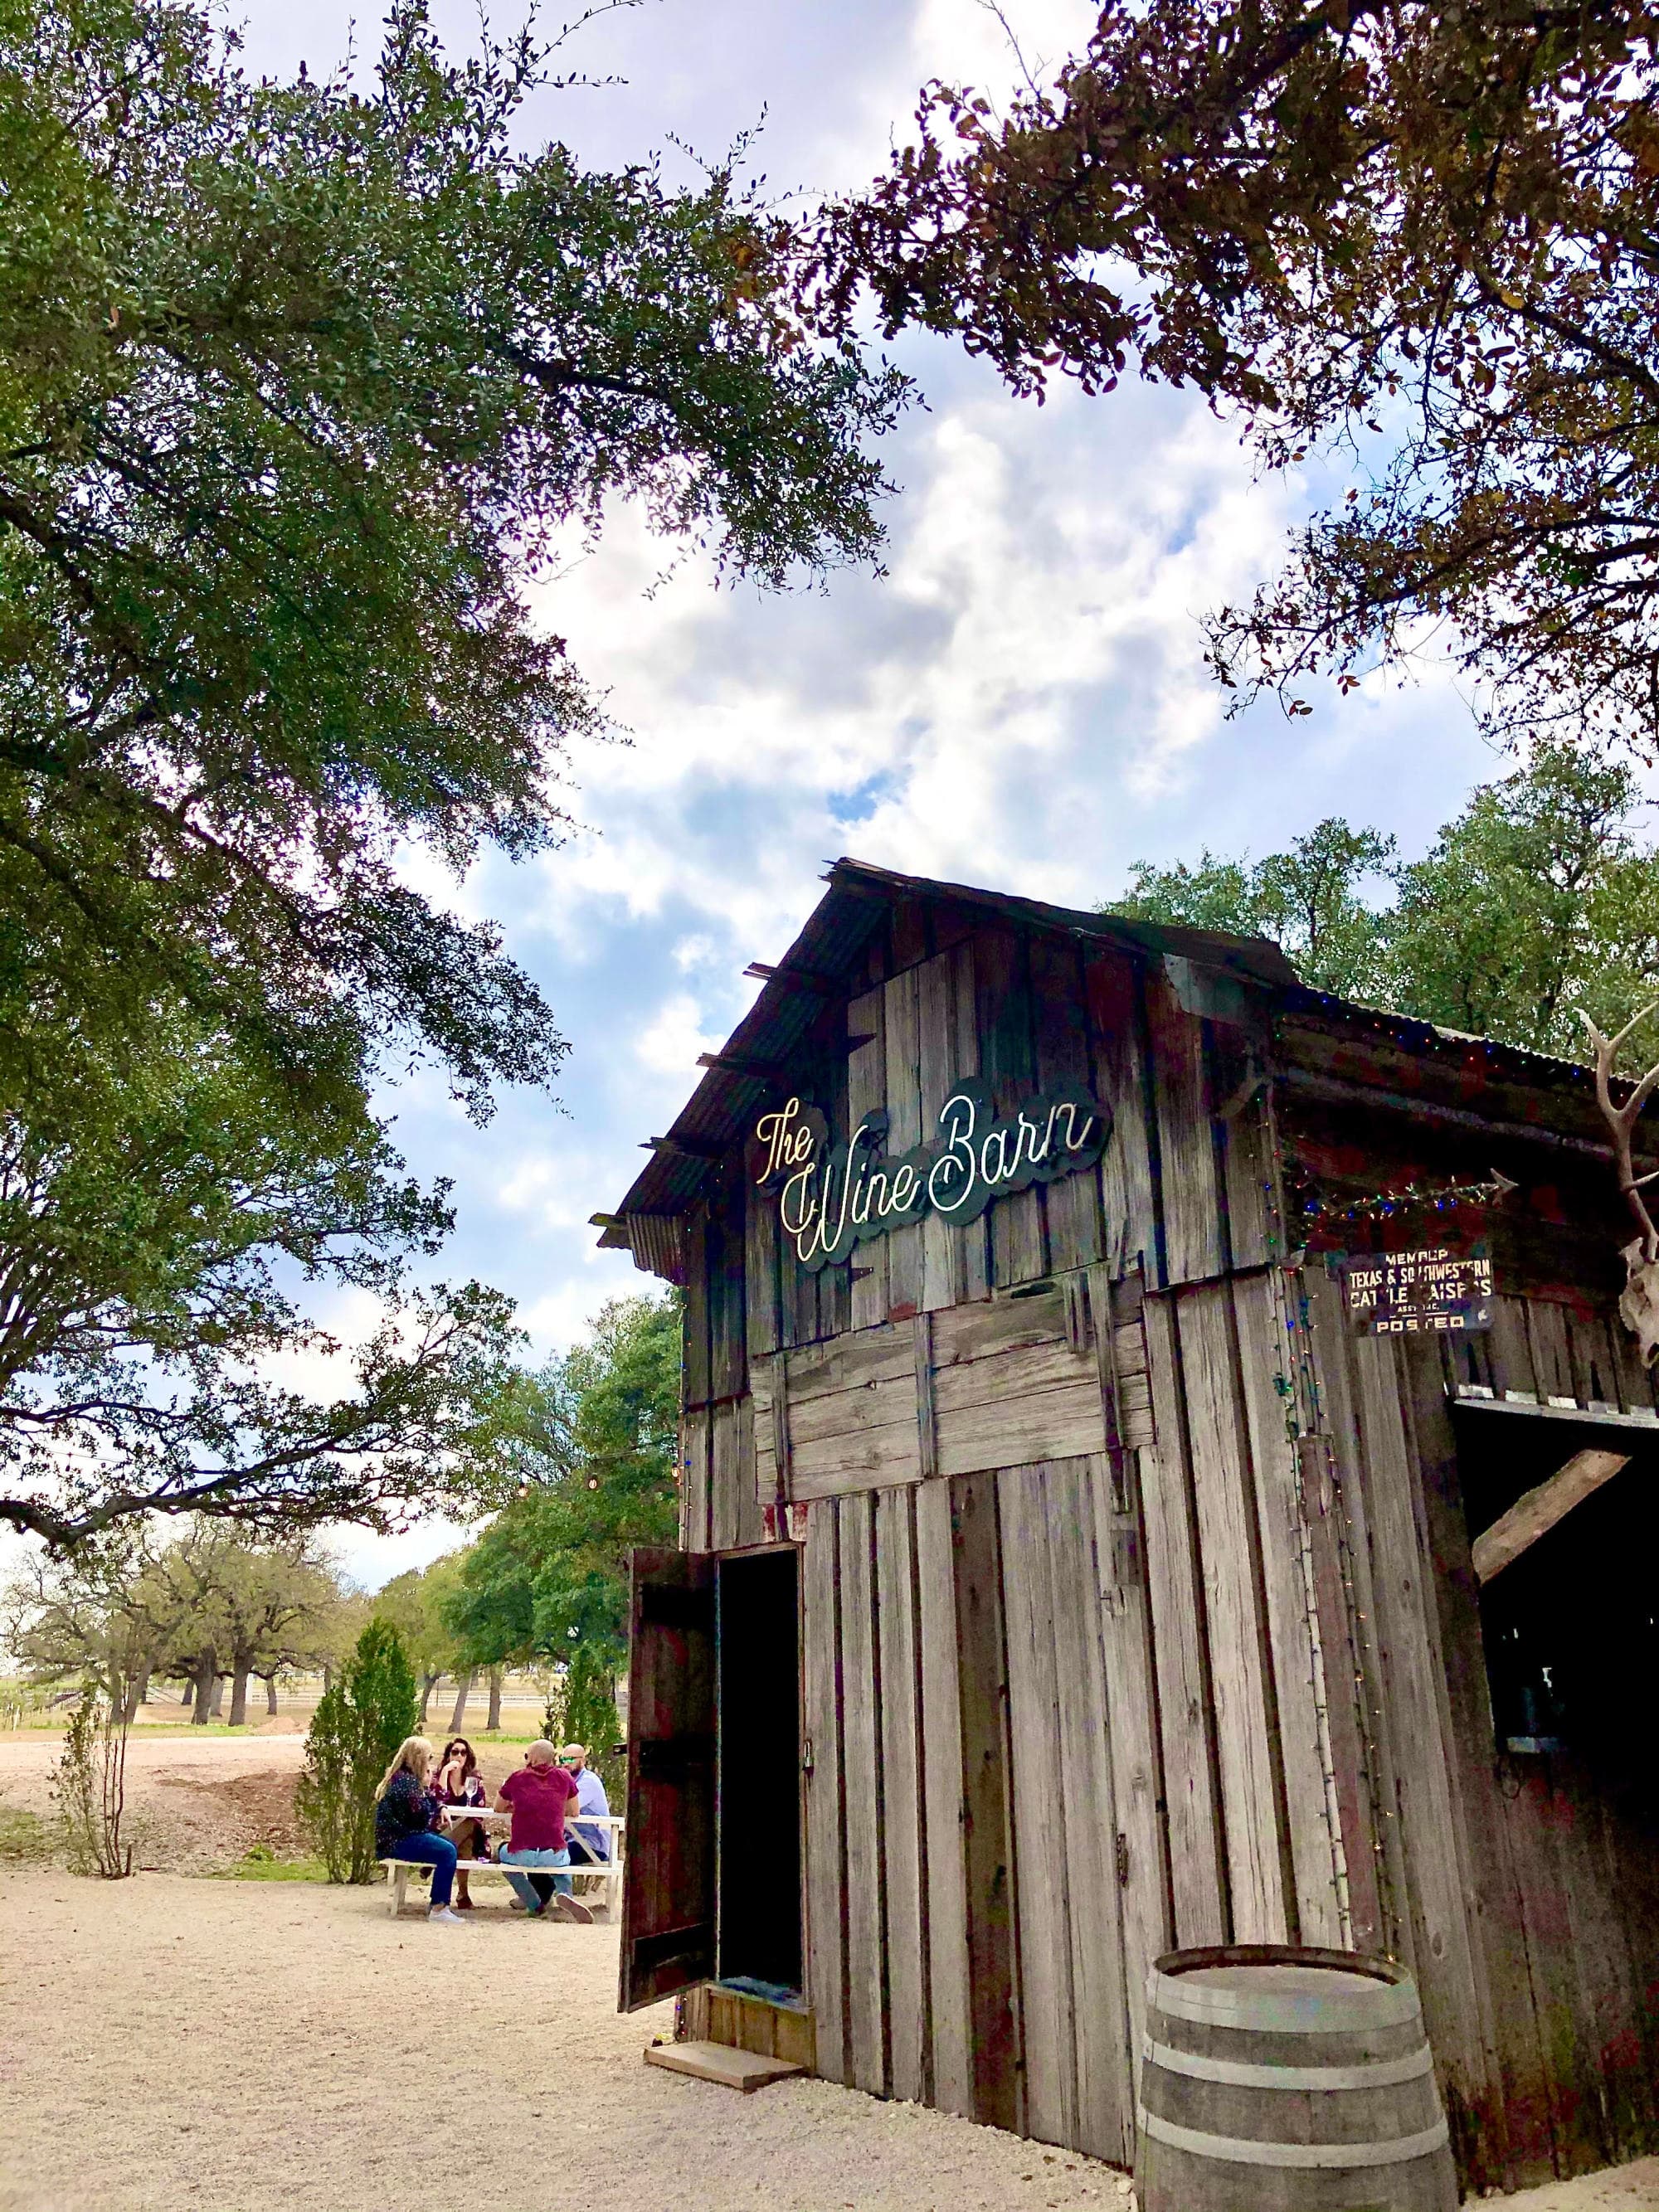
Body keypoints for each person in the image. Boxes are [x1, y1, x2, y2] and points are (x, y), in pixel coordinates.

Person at [495, 1739, 591, 1923]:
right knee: (563, 1862)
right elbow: (574, 1811)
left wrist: (517, 1806)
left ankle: (535, 1905)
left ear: (532, 1758)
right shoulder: (564, 1777)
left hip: (521, 1852)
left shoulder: (517, 1777)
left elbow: (498, 1807)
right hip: (552, 1853)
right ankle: (565, 1895)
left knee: (502, 1857)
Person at [373, 1736, 464, 1925]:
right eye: (429, 1757)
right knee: (447, 1851)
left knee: (448, 1846)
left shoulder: (405, 1778)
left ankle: (437, 1902)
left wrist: (439, 1805)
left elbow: (425, 1808)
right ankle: (439, 1908)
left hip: (401, 1836)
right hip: (398, 1840)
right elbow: (421, 1818)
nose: (430, 1762)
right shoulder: (407, 1784)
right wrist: (428, 1789)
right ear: (420, 1758)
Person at [431, 1736, 489, 1910]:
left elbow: (480, 1808)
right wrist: (445, 1772)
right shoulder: (439, 1775)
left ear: (468, 1757)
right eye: (455, 1752)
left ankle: (434, 1858)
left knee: (468, 1823)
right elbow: (438, 1799)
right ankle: (463, 1895)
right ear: (448, 1755)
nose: (459, 1756)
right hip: (442, 1829)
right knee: (465, 1843)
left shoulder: (474, 1779)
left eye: (463, 1753)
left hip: (470, 1827)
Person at [559, 1743, 611, 1869]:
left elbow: (565, 1808)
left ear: (583, 1760)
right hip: (571, 1841)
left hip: (592, 1845)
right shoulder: (567, 1782)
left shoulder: (588, 1781)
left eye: (570, 1759)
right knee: (537, 1856)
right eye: (563, 1759)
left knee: (546, 1859)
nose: (566, 1764)